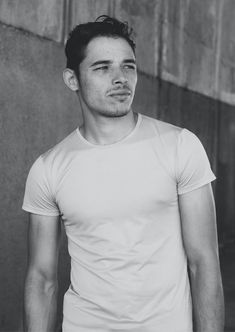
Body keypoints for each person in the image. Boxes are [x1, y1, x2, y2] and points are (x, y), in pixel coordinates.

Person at [22, 15, 224, 332]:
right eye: (102, 67)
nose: (120, 78)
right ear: (72, 79)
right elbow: (42, 277)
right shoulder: (49, 168)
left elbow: (204, 262)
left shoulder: (179, 146)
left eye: (128, 66)